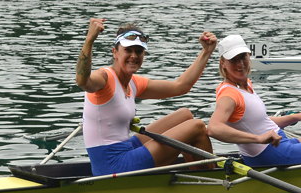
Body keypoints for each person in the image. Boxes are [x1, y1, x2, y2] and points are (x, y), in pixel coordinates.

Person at [76, 18, 218, 175]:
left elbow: (181, 86)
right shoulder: (104, 78)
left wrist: (206, 52)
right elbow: (82, 81)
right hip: (112, 165)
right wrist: (89, 40)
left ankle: (196, 170)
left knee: (185, 115)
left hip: (126, 148)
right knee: (197, 127)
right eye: (128, 50)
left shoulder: (132, 83)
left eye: (138, 51)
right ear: (115, 52)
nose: (134, 56)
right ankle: (210, 180)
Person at [206, 34, 301, 167]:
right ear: (223, 63)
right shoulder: (229, 95)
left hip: (279, 144)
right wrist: (258, 139)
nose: (240, 64)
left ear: (248, 56)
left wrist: (299, 116)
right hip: (271, 153)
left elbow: (259, 122)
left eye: (242, 57)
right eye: (233, 60)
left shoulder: (244, 86)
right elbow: (214, 128)